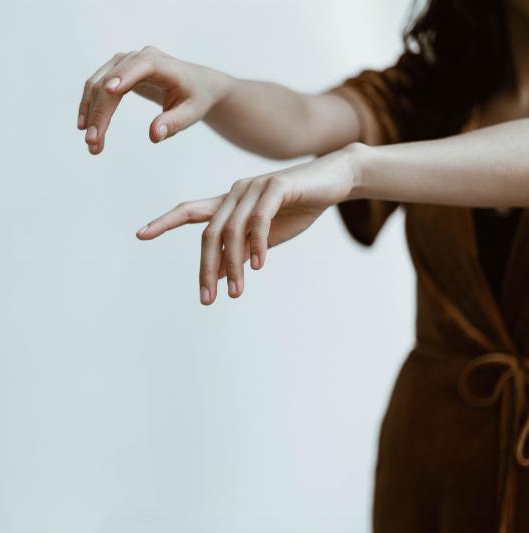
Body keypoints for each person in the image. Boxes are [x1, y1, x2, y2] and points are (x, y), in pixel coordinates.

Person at [76, 0, 529, 531]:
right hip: (435, 454)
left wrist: (356, 169)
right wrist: (217, 90)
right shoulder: (446, 84)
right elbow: (305, 119)